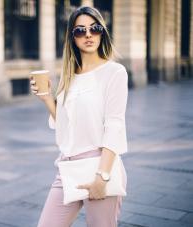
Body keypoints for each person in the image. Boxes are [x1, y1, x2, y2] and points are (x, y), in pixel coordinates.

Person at [30, 6, 128, 227]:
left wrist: (102, 176)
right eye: (79, 31)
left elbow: (115, 125)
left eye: (94, 28)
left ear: (102, 31)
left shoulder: (114, 72)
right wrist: (47, 99)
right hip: (67, 168)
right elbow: (66, 125)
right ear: (72, 37)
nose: (88, 35)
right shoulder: (70, 74)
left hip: (99, 166)